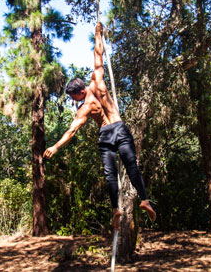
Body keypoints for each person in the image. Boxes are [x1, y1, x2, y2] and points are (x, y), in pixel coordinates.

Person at [43, 23, 156, 230]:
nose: (73, 100)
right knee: (132, 166)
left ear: (79, 93)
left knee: (109, 173)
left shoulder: (85, 108)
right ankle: (145, 200)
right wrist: (98, 34)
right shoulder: (98, 82)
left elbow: (72, 130)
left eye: (73, 96)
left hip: (106, 134)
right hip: (119, 127)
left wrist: (55, 147)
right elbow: (98, 54)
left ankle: (115, 210)